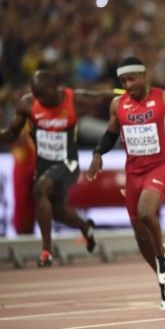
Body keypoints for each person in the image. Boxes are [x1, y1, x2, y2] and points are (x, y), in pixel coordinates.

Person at [87, 57, 165, 311]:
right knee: (140, 238)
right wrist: (97, 154)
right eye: (123, 81)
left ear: (144, 75)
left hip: (161, 166)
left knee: (146, 211)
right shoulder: (118, 104)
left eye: (132, 79)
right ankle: (163, 280)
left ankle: (162, 256)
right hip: (133, 172)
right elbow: (110, 134)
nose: (128, 84)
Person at [0, 70, 114, 266]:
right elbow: (11, 134)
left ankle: (46, 250)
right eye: (38, 96)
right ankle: (86, 228)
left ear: (55, 88)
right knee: (58, 211)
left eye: (44, 95)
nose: (41, 100)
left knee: (39, 189)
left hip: (67, 163)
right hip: (44, 165)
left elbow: (101, 97)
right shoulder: (28, 104)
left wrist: (129, 93)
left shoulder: (73, 99)